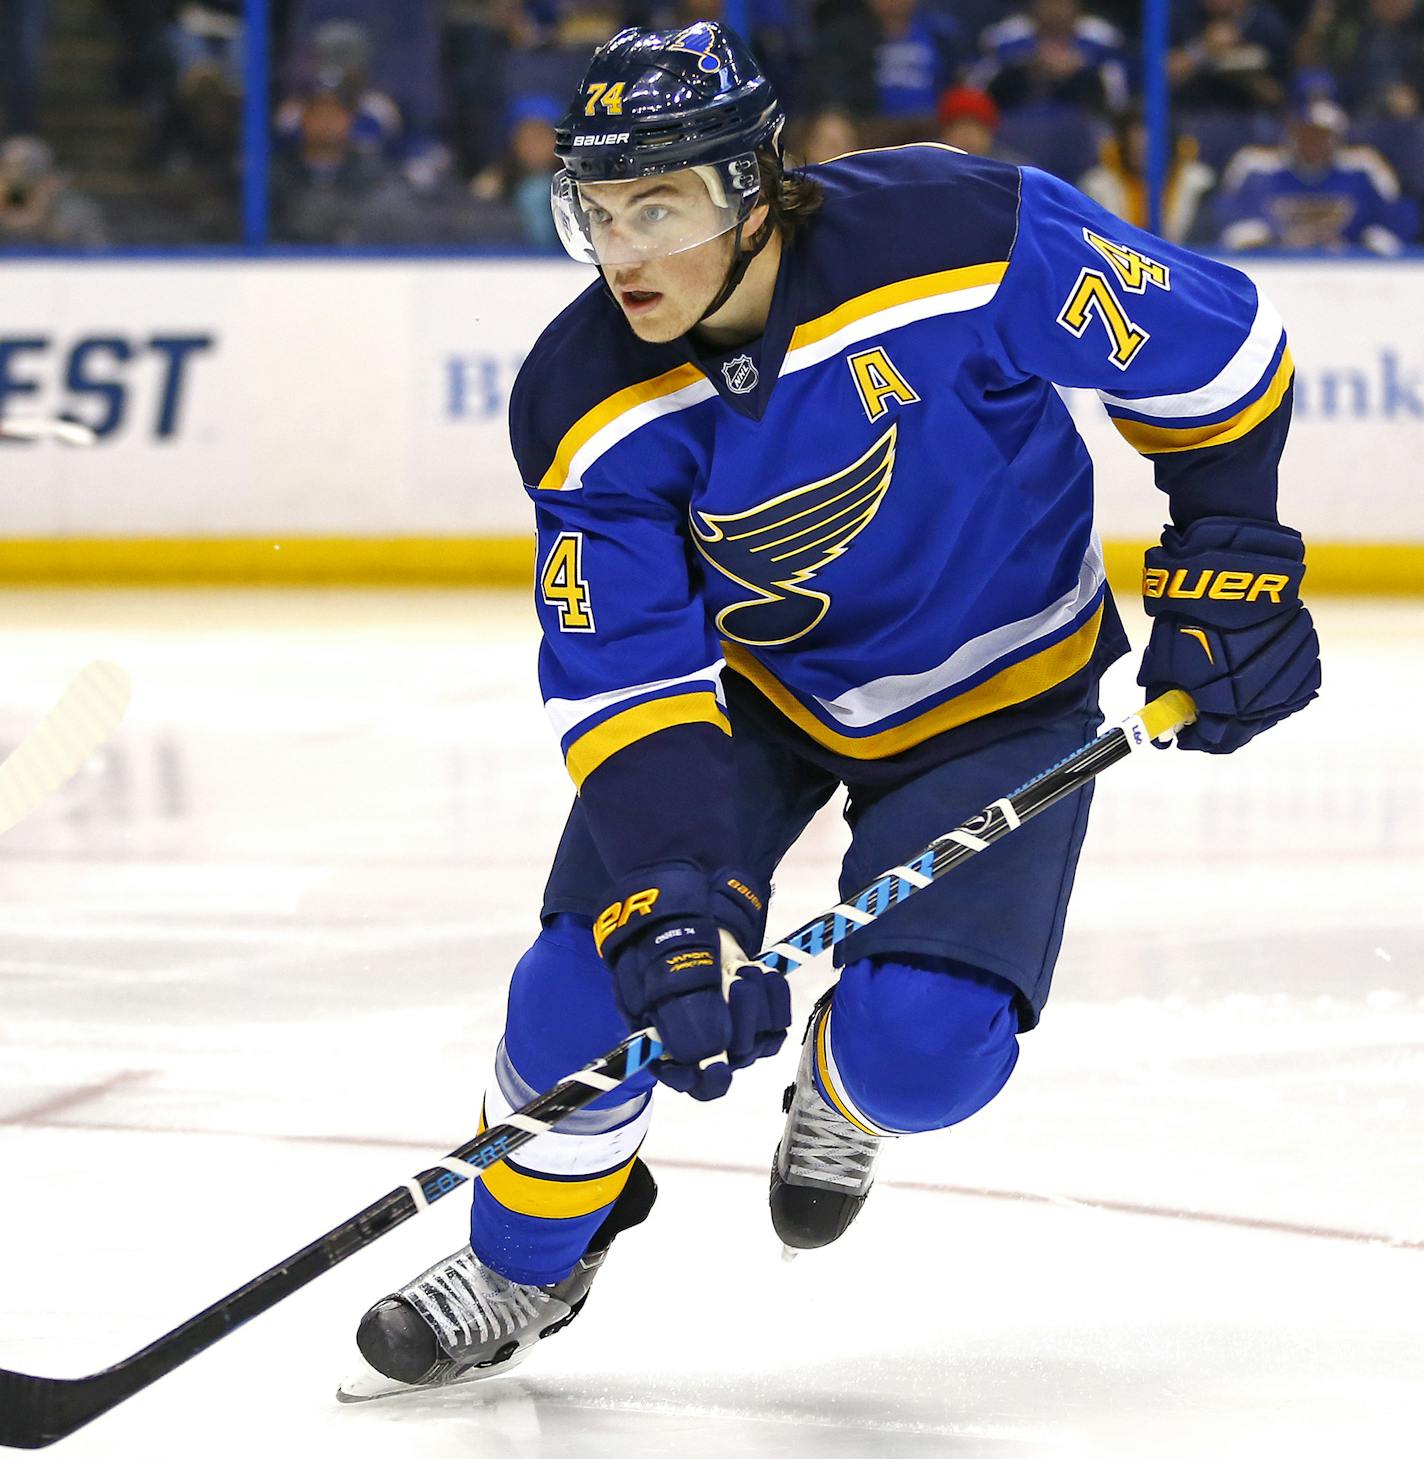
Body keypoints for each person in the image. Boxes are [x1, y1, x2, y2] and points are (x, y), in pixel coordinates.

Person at [341, 21, 1321, 1398]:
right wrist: (679, 896)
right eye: (600, 212)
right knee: (582, 991)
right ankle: (525, 1257)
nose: (624, 254)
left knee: (923, 1047)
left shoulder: (963, 234)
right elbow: (626, 672)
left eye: (661, 207)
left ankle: (840, 1089)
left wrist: (1231, 547)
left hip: (1006, 683)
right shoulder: (584, 397)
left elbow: (1217, 351)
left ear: (752, 187)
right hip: (753, 696)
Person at [1216, 98, 1415, 250]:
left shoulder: (1361, 171)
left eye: (1321, 136)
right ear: (1291, 135)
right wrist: (1266, 237)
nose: (1312, 142)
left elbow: (1397, 219)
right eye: (1305, 134)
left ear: (1336, 139)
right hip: (1277, 269)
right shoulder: (1260, 172)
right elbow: (1226, 220)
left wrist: (1362, 241)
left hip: (1345, 271)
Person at [1079, 108, 1217, 242]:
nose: (1143, 149)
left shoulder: (1200, 183)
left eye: (1151, 145)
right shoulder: (1097, 186)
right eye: (1136, 146)